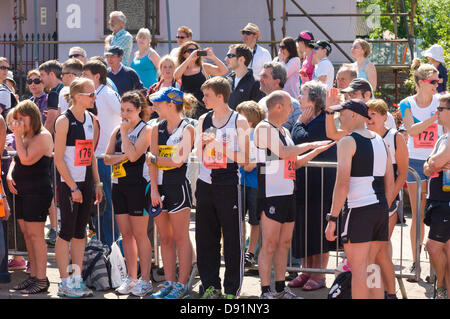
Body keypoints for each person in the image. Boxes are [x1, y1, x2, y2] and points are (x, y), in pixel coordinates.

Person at [254, 90, 334, 299]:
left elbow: (293, 162)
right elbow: (283, 153)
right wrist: (310, 144)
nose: (293, 110)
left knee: (284, 244)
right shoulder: (263, 128)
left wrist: (316, 151)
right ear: (278, 107)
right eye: (290, 106)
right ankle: (265, 290)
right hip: (270, 194)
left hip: (288, 192)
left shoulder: (285, 132)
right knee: (269, 244)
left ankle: (281, 288)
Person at [325, 99, 394, 299]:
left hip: (358, 210)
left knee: (359, 270)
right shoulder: (380, 139)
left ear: (354, 115)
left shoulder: (348, 141)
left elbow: (342, 184)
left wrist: (332, 218)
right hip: (380, 209)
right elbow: (390, 182)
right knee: (371, 267)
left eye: (342, 113)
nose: (339, 117)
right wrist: (382, 208)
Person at [194, 77, 250, 299]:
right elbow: (198, 154)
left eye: (207, 95)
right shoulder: (203, 119)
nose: (203, 99)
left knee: (232, 239)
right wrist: (205, 148)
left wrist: (220, 147)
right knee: (205, 238)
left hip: (228, 184)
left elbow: (245, 159)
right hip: (205, 182)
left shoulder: (239, 121)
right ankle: (210, 286)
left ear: (220, 96)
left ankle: (231, 290)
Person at [53, 77, 103, 298]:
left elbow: (90, 154)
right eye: (90, 94)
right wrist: (73, 188)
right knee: (66, 233)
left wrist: (97, 182)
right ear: (77, 96)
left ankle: (76, 278)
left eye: (94, 93)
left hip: (86, 183)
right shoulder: (64, 121)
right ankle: (64, 282)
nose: (94, 97)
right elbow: (58, 159)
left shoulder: (92, 119)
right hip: (68, 184)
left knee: (80, 233)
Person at [146, 87, 196, 299]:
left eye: (158, 102)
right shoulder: (157, 128)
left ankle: (181, 285)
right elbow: (151, 162)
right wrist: (154, 190)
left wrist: (155, 160)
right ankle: (168, 282)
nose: (154, 106)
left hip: (179, 188)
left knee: (180, 237)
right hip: (160, 188)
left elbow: (177, 161)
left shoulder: (188, 129)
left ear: (171, 104)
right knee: (165, 239)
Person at [289, 81, 337, 291]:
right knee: (305, 230)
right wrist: (300, 123)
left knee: (318, 230)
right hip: (304, 184)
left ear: (315, 100)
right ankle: (307, 271)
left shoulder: (322, 121)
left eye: (303, 94)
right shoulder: (307, 120)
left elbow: (299, 140)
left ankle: (320, 274)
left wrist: (299, 123)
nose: (299, 97)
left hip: (321, 185)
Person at [104, 91, 153, 297]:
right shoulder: (116, 129)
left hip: (138, 186)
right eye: (123, 110)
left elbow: (134, 157)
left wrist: (124, 139)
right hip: (119, 185)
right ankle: (131, 277)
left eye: (129, 110)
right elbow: (106, 158)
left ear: (139, 110)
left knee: (140, 234)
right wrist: (122, 155)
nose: (125, 114)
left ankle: (146, 279)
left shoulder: (146, 129)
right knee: (126, 235)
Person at [399, 59, 443, 276]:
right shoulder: (407, 103)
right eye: (433, 81)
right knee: (417, 213)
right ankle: (416, 262)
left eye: (438, 80)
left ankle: (435, 265)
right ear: (421, 82)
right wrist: (434, 118)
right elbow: (412, 130)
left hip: (438, 161)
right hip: (415, 162)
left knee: (436, 212)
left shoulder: (441, 101)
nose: (437, 84)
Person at [6, 100, 53, 294]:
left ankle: (41, 279)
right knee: (27, 235)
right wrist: (9, 174)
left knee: (36, 236)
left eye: (20, 118)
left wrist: (17, 135)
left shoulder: (43, 136)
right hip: (22, 191)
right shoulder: (26, 136)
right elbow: (17, 159)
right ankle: (33, 275)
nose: (17, 123)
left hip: (37, 191)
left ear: (31, 117)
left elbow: (25, 158)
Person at [365, 99, 409, 299]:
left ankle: (389, 293)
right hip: (367, 199)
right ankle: (377, 292)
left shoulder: (395, 137)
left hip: (387, 200)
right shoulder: (363, 137)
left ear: (384, 116)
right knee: (371, 250)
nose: (369, 118)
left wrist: (389, 199)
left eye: (374, 114)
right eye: (367, 114)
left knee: (378, 247)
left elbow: (402, 173)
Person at [82, 59, 122, 247]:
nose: (83, 78)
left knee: (106, 205)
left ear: (97, 76)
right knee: (98, 205)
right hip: (96, 157)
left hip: (105, 158)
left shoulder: (106, 93)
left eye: (86, 75)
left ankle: (113, 249)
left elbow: (125, 115)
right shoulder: (95, 95)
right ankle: (103, 246)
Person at [423, 93, 450, 299]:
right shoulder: (443, 136)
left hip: (445, 201)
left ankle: (441, 285)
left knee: (432, 247)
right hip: (438, 199)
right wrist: (434, 162)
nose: (436, 112)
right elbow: (427, 167)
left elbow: (436, 163)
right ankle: (444, 289)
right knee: (445, 250)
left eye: (441, 109)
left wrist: (434, 162)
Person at [235, 101, 265, 267]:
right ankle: (239, 250)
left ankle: (250, 252)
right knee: (237, 219)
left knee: (254, 221)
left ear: (250, 120)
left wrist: (242, 161)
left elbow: (251, 163)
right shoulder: (238, 135)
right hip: (239, 182)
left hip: (254, 184)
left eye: (240, 116)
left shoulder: (257, 136)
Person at [326, 78, 397, 141]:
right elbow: (333, 134)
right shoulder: (355, 115)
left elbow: (391, 142)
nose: (350, 99)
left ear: (367, 95)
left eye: (354, 94)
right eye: (349, 95)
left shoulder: (384, 116)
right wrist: (329, 110)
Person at [174, 41, 228, 119]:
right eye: (190, 51)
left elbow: (224, 70)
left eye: (196, 50)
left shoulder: (203, 67)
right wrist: (190, 59)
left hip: (204, 105)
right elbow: (176, 76)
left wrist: (213, 57)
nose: (194, 53)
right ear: (183, 54)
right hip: (188, 106)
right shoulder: (183, 68)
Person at [258, 62, 301, 131]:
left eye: (265, 76)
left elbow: (298, 133)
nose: (260, 80)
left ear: (277, 82)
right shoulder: (261, 102)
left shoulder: (293, 105)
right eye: (260, 76)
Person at [225, 44, 265, 110]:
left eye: (230, 56)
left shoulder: (256, 83)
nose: (226, 59)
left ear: (241, 59)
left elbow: (257, 113)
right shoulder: (227, 81)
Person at [38, 60, 64, 135]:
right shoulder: (65, 88)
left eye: (42, 75)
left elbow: (50, 122)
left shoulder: (54, 92)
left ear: (52, 74)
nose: (40, 79)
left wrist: (43, 140)